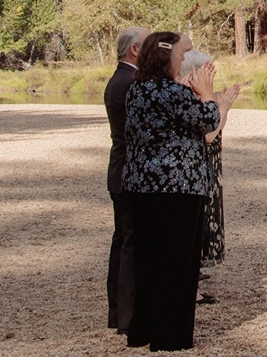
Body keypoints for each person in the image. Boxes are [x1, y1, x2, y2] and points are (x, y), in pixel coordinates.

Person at [122, 32, 236, 352]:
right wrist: (208, 93)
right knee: (177, 264)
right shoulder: (173, 93)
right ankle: (170, 337)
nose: (188, 57)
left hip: (140, 186)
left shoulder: (136, 90)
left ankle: (141, 330)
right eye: (185, 52)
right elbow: (209, 120)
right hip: (178, 188)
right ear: (169, 56)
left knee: (148, 262)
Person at [178, 49, 240, 305]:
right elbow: (208, 134)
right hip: (198, 170)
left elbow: (215, 128)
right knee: (195, 229)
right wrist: (223, 106)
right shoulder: (189, 98)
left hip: (208, 167)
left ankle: (194, 278)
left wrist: (221, 106)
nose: (211, 76)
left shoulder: (198, 96)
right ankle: (190, 287)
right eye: (207, 71)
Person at [104, 25, 146, 334]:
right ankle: (128, 318)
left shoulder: (119, 79)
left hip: (120, 169)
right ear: (134, 50)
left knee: (123, 242)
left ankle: (119, 313)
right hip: (129, 171)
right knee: (131, 244)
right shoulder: (129, 82)